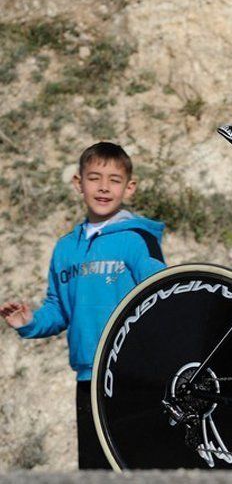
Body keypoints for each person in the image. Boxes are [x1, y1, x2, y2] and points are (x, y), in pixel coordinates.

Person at [0, 142, 166, 469]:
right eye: (94, 178)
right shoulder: (65, 249)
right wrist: (31, 321)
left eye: (114, 180)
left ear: (129, 188)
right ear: (79, 184)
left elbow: (163, 294)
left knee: (140, 464)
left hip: (133, 373)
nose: (104, 187)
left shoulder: (136, 239)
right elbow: (59, 310)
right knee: (94, 469)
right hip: (88, 378)